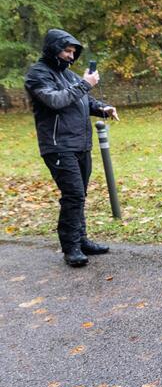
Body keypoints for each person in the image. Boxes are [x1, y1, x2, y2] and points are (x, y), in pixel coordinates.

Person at [24, 29, 118, 267]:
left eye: (73, 52)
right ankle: (71, 247)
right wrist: (86, 84)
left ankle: (81, 239)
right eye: (66, 50)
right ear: (53, 49)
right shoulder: (37, 75)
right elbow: (55, 101)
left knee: (80, 195)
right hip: (58, 145)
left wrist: (103, 109)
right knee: (73, 194)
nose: (70, 56)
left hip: (80, 143)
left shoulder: (70, 75)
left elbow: (84, 101)